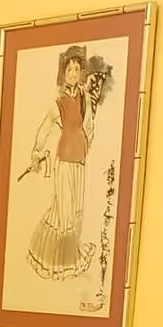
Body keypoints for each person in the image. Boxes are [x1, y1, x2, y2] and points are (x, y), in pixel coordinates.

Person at [25, 45, 100, 282]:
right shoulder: (58, 102)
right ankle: (55, 262)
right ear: (64, 73)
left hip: (79, 161)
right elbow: (45, 129)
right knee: (63, 212)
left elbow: (89, 126)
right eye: (69, 69)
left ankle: (70, 256)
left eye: (77, 69)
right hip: (64, 161)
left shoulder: (85, 98)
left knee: (76, 209)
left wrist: (86, 145)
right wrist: (37, 153)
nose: (73, 73)